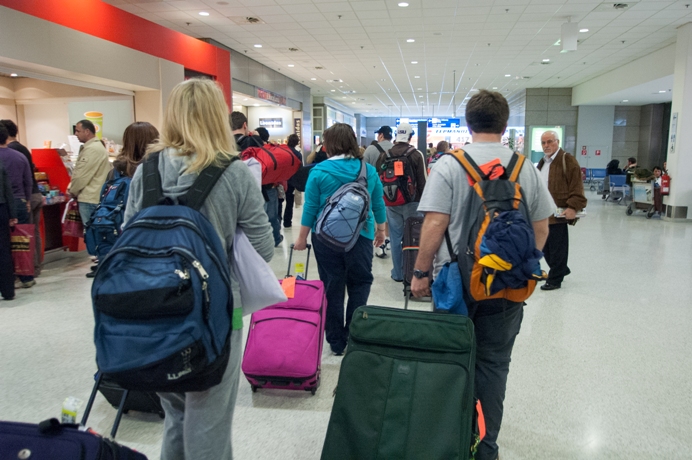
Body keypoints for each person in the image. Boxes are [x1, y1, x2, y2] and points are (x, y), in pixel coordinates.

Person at [124, 78, 273, 460]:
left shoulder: (148, 169)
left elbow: (127, 237)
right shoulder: (234, 172)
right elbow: (264, 247)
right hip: (218, 312)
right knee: (209, 418)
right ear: (216, 118)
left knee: (176, 411)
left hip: (153, 308)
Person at [411, 89, 554, 460]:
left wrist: (421, 272)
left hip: (454, 285)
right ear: (505, 125)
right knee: (493, 367)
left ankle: (448, 440)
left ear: (467, 124)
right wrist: (521, 264)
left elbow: (435, 223)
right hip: (506, 287)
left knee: (451, 361)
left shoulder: (448, 164)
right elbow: (542, 229)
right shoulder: (526, 167)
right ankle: (485, 448)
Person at [293, 123, 386, 356]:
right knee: (360, 283)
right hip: (361, 236)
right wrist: (381, 230)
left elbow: (311, 208)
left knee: (332, 285)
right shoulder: (368, 171)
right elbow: (377, 204)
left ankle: (335, 340)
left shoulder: (319, 172)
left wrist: (302, 238)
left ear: (328, 144)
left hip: (324, 238)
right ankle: (355, 332)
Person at [375, 122, 427, 282]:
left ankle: (398, 273)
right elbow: (423, 182)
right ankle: (412, 273)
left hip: (391, 203)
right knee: (413, 238)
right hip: (413, 203)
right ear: (411, 137)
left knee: (396, 239)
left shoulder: (385, 155)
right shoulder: (416, 155)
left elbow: (379, 178)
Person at [536, 130, 587, 291]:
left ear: (557, 142)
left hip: (560, 211)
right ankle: (561, 269)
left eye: (550, 141)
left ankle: (555, 279)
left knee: (558, 247)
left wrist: (573, 207)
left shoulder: (567, 160)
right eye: (544, 143)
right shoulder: (543, 162)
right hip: (544, 211)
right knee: (545, 246)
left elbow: (576, 185)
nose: (547, 145)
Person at [0, 119, 43, 276]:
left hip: (11, 202)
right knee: (28, 235)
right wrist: (27, 200)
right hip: (28, 197)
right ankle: (30, 270)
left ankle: (14, 274)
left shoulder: (6, 154)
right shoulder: (22, 152)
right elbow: (28, 179)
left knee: (9, 240)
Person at [68, 119, 112, 226]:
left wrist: (72, 191)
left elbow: (81, 176)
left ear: (87, 131)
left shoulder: (92, 149)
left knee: (90, 234)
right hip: (95, 197)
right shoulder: (95, 147)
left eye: (78, 131)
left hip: (89, 199)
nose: (75, 134)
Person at [0, 160, 17, 300]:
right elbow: (7, 190)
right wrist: (12, 214)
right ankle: (8, 290)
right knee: (4, 251)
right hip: (1, 209)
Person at [283, 134, 303, 228]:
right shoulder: (297, 154)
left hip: (282, 179)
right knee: (289, 202)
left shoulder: (283, 151)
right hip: (292, 180)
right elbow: (300, 168)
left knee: (278, 202)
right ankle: (287, 222)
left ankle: (278, 220)